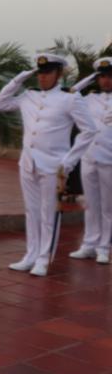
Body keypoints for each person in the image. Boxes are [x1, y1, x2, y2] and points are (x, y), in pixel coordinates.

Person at [0, 53, 98, 276]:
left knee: (48, 213)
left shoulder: (70, 98)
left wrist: (68, 161)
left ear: (58, 74)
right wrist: (20, 78)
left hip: (53, 166)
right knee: (31, 211)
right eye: (39, 73)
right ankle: (30, 255)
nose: (42, 77)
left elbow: (89, 130)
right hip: (28, 163)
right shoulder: (28, 95)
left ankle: (43, 258)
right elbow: (0, 104)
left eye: (47, 73)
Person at [68, 57, 112, 264]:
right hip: (89, 157)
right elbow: (69, 95)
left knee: (108, 207)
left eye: (109, 76)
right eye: (102, 77)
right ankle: (89, 244)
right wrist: (89, 78)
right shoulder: (89, 99)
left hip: (110, 159)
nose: (106, 81)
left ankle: (104, 247)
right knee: (91, 204)